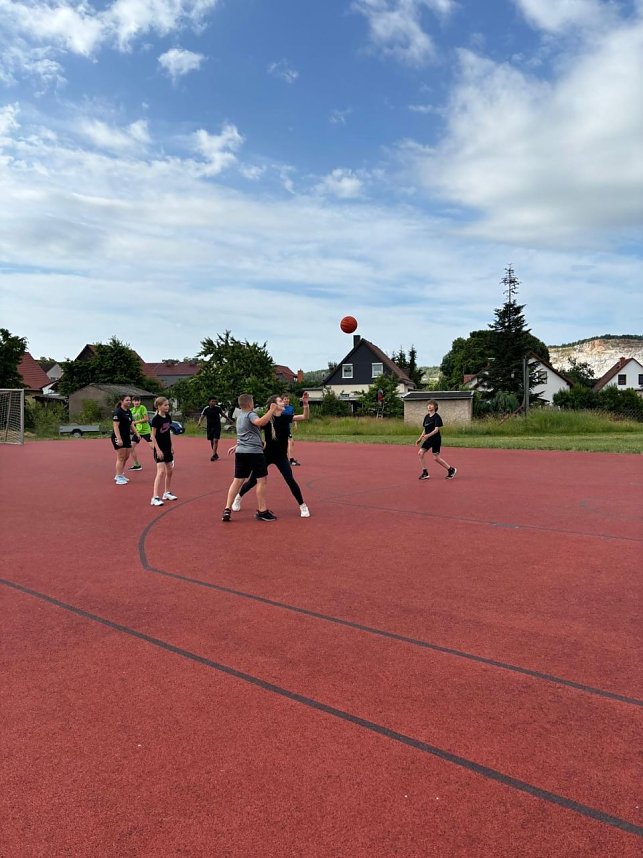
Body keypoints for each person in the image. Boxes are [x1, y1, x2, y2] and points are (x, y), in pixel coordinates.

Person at [232, 392, 310, 518]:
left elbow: (304, 417)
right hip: (266, 455)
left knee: (290, 480)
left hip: (281, 456)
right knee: (252, 481)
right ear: (273, 405)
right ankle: (239, 497)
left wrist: (305, 404)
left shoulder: (286, 417)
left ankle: (303, 506)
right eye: (280, 401)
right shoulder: (267, 420)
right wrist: (238, 444)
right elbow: (250, 433)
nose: (283, 402)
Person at [222, 393, 279, 522]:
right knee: (261, 480)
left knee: (237, 480)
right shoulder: (250, 414)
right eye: (253, 402)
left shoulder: (240, 417)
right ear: (249, 404)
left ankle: (227, 509)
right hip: (254, 453)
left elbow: (245, 434)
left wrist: (238, 445)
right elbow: (260, 422)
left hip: (241, 452)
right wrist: (271, 410)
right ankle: (262, 510)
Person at [416, 400, 457, 481]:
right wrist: (420, 439)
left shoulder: (437, 417)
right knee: (420, 453)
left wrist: (427, 435)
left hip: (435, 439)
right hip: (428, 439)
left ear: (435, 407)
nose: (429, 406)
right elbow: (425, 429)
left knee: (436, 458)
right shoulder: (426, 417)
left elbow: (436, 430)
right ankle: (425, 473)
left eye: (431, 405)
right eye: (428, 405)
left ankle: (451, 469)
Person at [150, 396, 178, 506]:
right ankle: (155, 497)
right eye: (165, 405)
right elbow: (153, 435)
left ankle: (166, 492)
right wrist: (157, 449)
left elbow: (168, 433)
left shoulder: (168, 417)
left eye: (168, 405)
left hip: (167, 447)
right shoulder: (156, 419)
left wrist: (171, 446)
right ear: (158, 406)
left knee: (170, 470)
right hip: (159, 448)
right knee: (161, 472)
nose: (167, 407)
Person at [111, 395, 135, 485]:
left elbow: (131, 424)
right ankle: (118, 476)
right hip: (118, 437)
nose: (129, 402)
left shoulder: (129, 411)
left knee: (126, 457)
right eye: (127, 400)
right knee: (121, 457)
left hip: (127, 437)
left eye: (130, 400)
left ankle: (121, 473)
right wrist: (119, 439)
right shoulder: (118, 412)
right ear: (122, 401)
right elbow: (115, 426)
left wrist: (136, 433)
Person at [129, 396, 151, 470]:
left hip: (146, 431)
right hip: (138, 431)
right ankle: (137, 465)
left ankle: (167, 459)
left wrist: (135, 422)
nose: (136, 402)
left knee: (153, 447)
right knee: (131, 447)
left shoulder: (142, 407)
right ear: (132, 402)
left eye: (138, 401)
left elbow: (146, 419)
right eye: (135, 401)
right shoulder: (131, 410)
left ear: (140, 401)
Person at [282, 395, 300, 466]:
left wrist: (295, 424)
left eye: (287, 399)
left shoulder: (291, 408)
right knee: (290, 442)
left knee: (291, 443)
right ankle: (291, 460)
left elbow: (293, 416)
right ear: (282, 400)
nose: (286, 400)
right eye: (285, 399)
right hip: (283, 428)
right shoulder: (281, 408)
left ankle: (287, 458)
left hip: (288, 428)